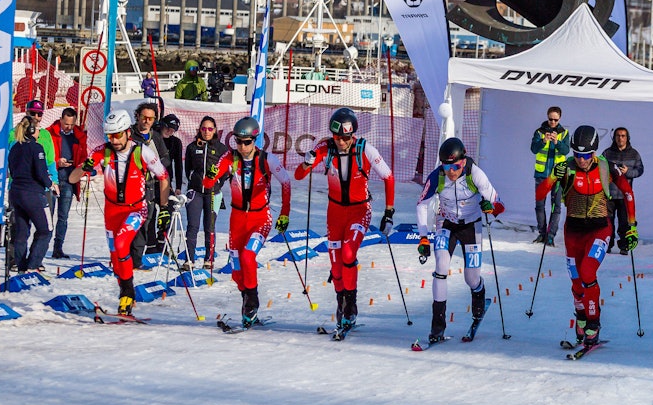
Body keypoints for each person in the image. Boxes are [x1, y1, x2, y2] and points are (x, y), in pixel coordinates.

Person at [294, 107, 395, 338]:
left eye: (345, 138)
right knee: (336, 266)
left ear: (353, 135)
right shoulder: (325, 148)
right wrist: (307, 163)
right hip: (335, 212)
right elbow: (299, 176)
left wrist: (389, 212)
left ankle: (351, 306)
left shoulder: (365, 149)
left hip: (360, 211)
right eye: (337, 137)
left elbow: (388, 177)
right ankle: (341, 303)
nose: (340, 142)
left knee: (349, 254)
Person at [535, 125, 636, 348]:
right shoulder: (566, 168)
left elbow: (627, 193)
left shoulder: (606, 167)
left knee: (588, 271)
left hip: (600, 228)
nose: (581, 160)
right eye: (578, 155)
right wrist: (553, 177)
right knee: (576, 282)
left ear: (594, 153)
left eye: (586, 155)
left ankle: (594, 322)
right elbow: (540, 194)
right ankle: (581, 316)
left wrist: (631, 226)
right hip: (573, 232)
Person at [69, 110, 170, 316]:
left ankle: (126, 294)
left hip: (136, 209)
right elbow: (72, 179)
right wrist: (85, 167)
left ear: (127, 133)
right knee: (116, 259)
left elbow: (163, 176)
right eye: (110, 136)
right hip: (112, 212)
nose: (113, 140)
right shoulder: (103, 151)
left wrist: (164, 208)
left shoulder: (142, 152)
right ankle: (126, 290)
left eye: (117, 135)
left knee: (123, 243)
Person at [203, 117, 293, 328]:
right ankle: (247, 306)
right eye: (238, 141)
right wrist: (211, 174)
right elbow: (208, 183)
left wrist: (285, 214)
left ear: (255, 140)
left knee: (248, 255)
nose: (242, 146)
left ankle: (252, 302)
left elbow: (287, 182)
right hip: (237, 220)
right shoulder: (230, 157)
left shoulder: (267, 160)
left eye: (246, 142)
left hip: (260, 218)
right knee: (236, 272)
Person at [415, 137, 501, 344]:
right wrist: (424, 238)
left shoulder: (475, 174)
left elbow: (498, 203)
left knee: (471, 278)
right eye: (446, 166)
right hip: (446, 223)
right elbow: (421, 205)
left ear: (463, 162)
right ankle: (437, 327)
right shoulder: (437, 176)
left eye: (455, 166)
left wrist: (491, 207)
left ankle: (479, 295)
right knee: (441, 268)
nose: (451, 171)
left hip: (472, 225)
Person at [7, 116, 53, 273]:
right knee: (46, 229)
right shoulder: (36, 147)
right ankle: (32, 266)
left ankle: (21, 266)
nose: (39, 131)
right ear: (32, 130)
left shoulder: (14, 147)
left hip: (16, 193)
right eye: (38, 129)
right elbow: (41, 173)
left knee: (21, 231)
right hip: (32, 194)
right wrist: (50, 184)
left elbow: (12, 171)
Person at [129, 101, 172, 262]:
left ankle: (139, 256)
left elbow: (166, 160)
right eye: (144, 117)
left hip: (151, 185)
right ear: (138, 117)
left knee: (147, 221)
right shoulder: (130, 134)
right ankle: (126, 254)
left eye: (150, 119)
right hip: (131, 185)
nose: (146, 121)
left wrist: (155, 165)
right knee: (130, 221)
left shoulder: (156, 136)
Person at [184, 116, 228, 266]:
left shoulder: (221, 148)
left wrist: (218, 185)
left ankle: (209, 259)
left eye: (210, 129)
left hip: (212, 193)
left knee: (210, 227)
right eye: (203, 129)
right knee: (192, 226)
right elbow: (188, 169)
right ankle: (189, 259)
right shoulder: (192, 147)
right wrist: (192, 182)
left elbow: (226, 172)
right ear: (199, 130)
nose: (206, 132)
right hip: (196, 192)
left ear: (215, 130)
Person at [45, 107, 84, 258]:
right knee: (48, 215)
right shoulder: (50, 133)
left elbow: (84, 157)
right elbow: (45, 156)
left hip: (69, 180)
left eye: (72, 124)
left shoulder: (79, 136)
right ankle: (42, 246)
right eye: (66, 124)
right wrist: (57, 163)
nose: (69, 127)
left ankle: (58, 248)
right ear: (61, 120)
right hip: (52, 180)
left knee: (63, 216)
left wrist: (81, 167)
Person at [601, 127, 643, 254]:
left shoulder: (634, 154)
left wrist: (628, 172)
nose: (620, 138)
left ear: (627, 138)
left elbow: (640, 170)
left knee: (624, 222)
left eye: (623, 136)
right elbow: (600, 170)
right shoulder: (607, 153)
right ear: (614, 137)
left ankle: (624, 246)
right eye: (618, 135)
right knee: (608, 221)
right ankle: (607, 244)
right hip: (609, 194)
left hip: (625, 195)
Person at [530, 106, 569, 245]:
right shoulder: (540, 132)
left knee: (556, 206)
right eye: (550, 119)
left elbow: (566, 150)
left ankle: (551, 235)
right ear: (547, 117)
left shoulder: (564, 133)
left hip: (557, 176)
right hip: (541, 174)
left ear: (560, 119)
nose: (553, 122)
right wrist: (543, 141)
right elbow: (533, 149)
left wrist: (556, 142)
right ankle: (542, 234)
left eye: (555, 120)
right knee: (539, 206)